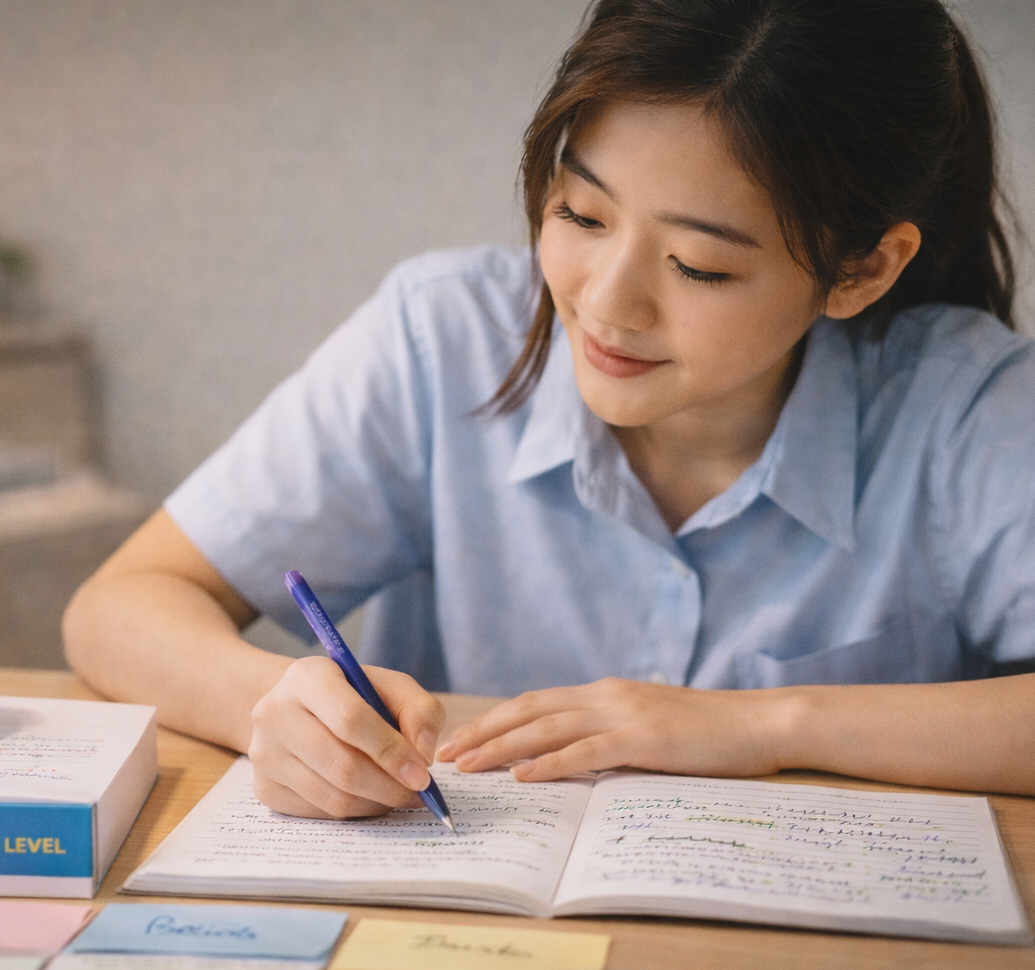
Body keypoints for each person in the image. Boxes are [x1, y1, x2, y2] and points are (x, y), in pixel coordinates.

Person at [64, 0, 1035, 821]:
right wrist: (270, 700)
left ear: (861, 268)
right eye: (580, 214)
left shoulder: (965, 404)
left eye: (699, 265)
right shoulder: (441, 336)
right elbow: (118, 606)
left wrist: (764, 724)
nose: (607, 303)